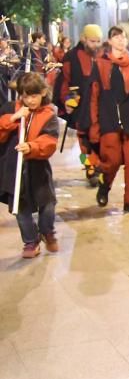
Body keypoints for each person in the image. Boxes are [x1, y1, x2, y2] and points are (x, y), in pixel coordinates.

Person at [79, 26, 129, 214]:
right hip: (109, 122)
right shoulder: (100, 65)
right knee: (112, 161)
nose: (121, 40)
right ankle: (104, 186)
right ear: (110, 41)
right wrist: (94, 125)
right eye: (116, 37)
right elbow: (93, 96)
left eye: (123, 37)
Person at [0, 73, 59, 258]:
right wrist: (13, 119)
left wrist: (32, 147)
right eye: (25, 96)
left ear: (43, 92)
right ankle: (30, 241)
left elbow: (49, 142)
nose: (30, 100)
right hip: (14, 168)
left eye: (33, 96)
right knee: (20, 207)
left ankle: (47, 230)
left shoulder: (48, 114)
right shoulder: (12, 108)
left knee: (47, 204)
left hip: (38, 168)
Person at [61, 24, 104, 186]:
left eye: (98, 41)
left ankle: (98, 165)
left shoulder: (103, 56)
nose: (96, 44)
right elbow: (66, 81)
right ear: (83, 39)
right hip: (80, 106)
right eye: (92, 41)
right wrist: (69, 101)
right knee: (83, 142)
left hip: (100, 106)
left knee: (100, 139)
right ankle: (88, 166)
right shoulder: (71, 57)